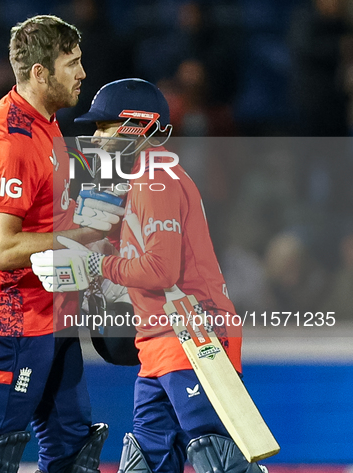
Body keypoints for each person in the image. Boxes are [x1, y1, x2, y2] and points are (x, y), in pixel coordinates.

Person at [31, 78, 268, 473]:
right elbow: (137, 260)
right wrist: (94, 263)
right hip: (159, 339)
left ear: (134, 126)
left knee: (216, 456)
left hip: (194, 334)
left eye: (104, 127)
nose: (96, 138)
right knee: (147, 459)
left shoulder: (156, 181)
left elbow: (161, 269)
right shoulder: (142, 179)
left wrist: (94, 268)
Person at [0, 15, 113, 473]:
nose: (82, 73)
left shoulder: (43, 120)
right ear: (40, 72)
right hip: (9, 322)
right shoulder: (11, 142)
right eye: (72, 64)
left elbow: (45, 206)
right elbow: (3, 249)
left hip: (49, 312)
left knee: (73, 450)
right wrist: (84, 235)